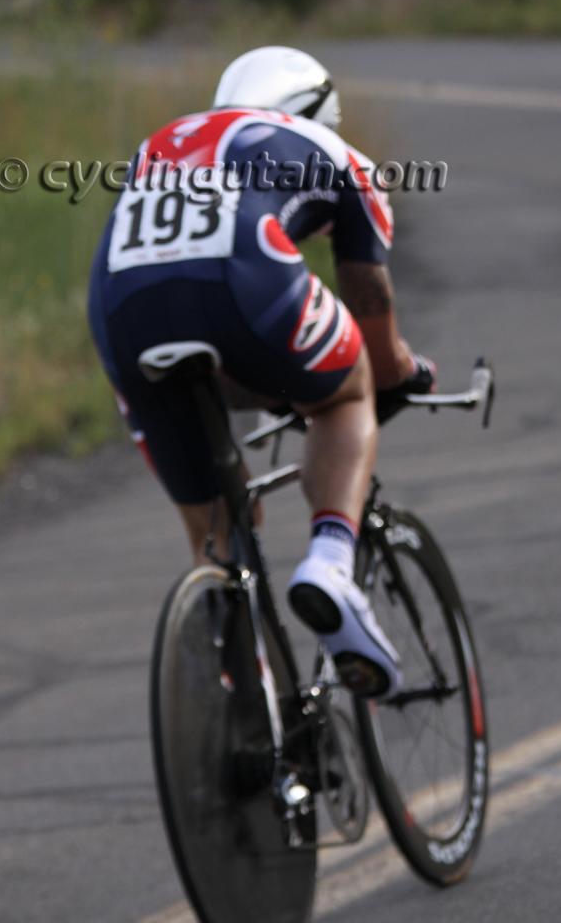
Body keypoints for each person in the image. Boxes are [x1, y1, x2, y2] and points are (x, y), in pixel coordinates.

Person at [88, 45, 435, 700]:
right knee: (348, 389)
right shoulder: (339, 156)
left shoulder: (166, 141)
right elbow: (371, 319)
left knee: (216, 534)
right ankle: (330, 564)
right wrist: (404, 371)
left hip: (120, 310)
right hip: (237, 283)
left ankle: (240, 703)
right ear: (320, 114)